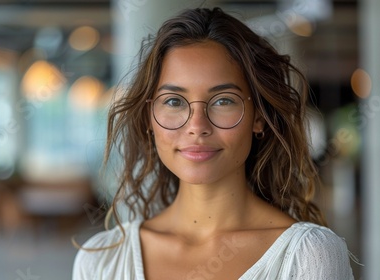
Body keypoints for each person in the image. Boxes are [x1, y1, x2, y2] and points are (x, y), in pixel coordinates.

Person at [73, 7, 354, 280]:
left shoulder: (308, 256)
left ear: (259, 117)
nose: (197, 126)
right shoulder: (101, 260)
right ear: (150, 118)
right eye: (173, 101)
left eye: (223, 101)